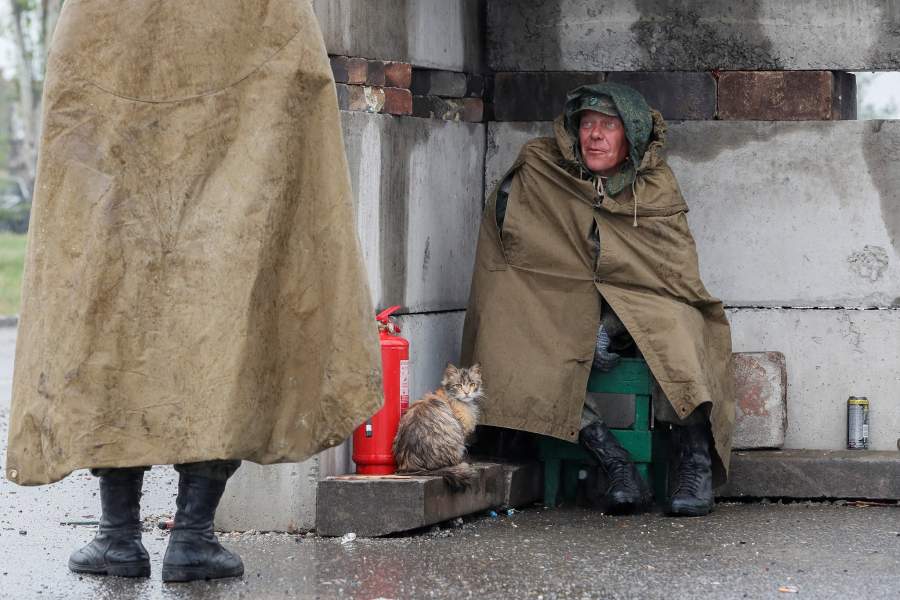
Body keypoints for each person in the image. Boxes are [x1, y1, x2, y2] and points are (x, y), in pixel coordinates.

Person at [5, 2, 382, 581]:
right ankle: (193, 536)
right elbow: (298, 70)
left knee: (106, 308)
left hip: (112, 96)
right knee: (226, 305)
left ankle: (118, 535)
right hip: (243, 86)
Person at [462, 82, 735, 516]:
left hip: (642, 305)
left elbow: (670, 276)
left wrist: (606, 329)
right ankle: (612, 461)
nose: (595, 136)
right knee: (517, 337)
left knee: (680, 328)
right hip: (559, 301)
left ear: (630, 136)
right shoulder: (542, 170)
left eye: (608, 126)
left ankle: (693, 460)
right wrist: (578, 321)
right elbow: (515, 259)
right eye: (588, 124)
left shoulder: (654, 184)